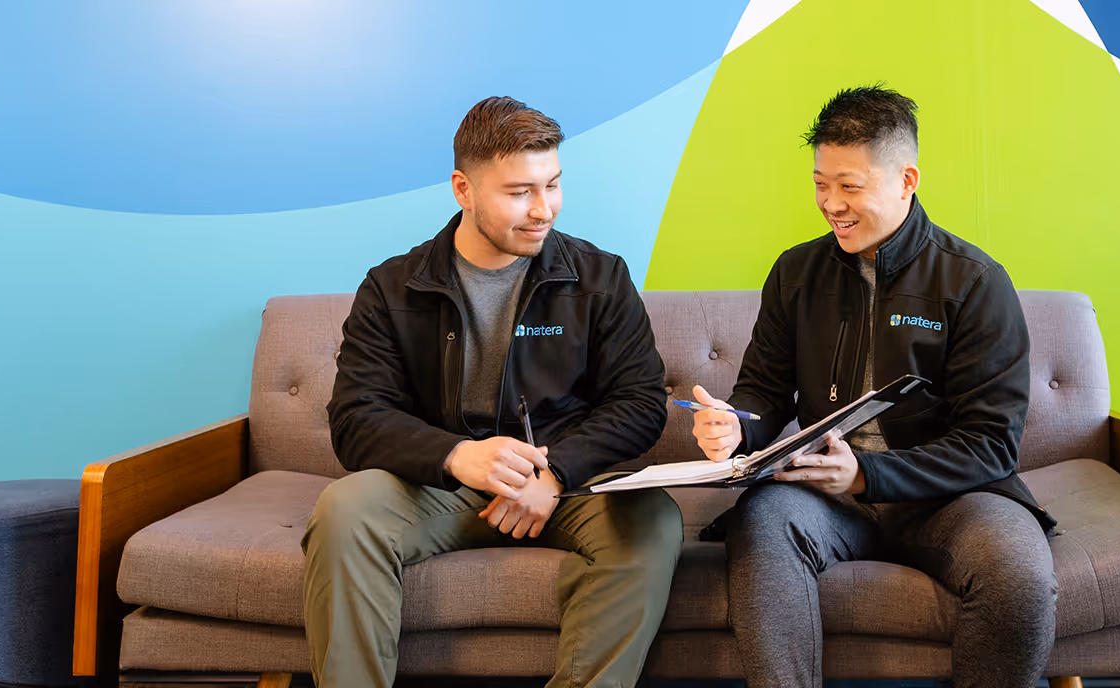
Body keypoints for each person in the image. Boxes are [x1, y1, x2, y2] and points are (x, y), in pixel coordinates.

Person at [304, 96, 682, 688]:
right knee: (345, 509)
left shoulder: (601, 277)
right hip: (438, 486)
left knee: (653, 520)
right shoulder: (390, 287)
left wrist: (554, 475)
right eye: (519, 192)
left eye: (552, 185)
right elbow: (355, 417)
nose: (543, 210)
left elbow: (640, 403)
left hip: (563, 485)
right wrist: (457, 456)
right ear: (463, 188)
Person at [690, 85, 1059, 688]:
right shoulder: (796, 272)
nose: (831, 203)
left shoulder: (975, 281)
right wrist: (734, 425)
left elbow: (991, 444)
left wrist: (868, 475)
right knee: (760, 526)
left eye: (850, 186)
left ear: (906, 179)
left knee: (1017, 576)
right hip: (824, 499)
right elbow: (762, 393)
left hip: (950, 499)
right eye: (819, 184)